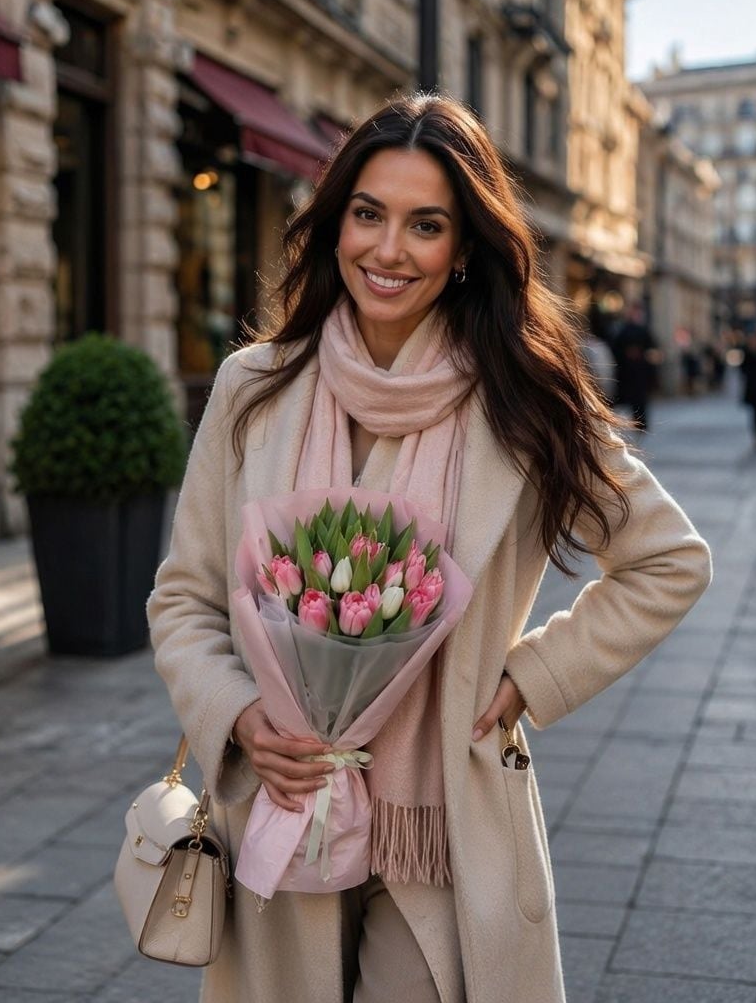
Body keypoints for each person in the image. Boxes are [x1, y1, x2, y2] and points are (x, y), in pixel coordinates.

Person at [147, 94, 712, 1003]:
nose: (389, 249)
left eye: (426, 225)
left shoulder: (522, 399)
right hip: (285, 810)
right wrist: (241, 716)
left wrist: (532, 676)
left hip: (445, 825)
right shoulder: (253, 387)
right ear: (335, 224)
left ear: (463, 250)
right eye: (368, 214)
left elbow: (669, 559)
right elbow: (185, 597)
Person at [612, 305, 661, 431]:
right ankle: (634, 421)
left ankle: (641, 422)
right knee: (629, 398)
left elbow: (652, 350)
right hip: (628, 371)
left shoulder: (643, 331)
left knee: (641, 399)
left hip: (640, 371)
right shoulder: (624, 331)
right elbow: (617, 349)